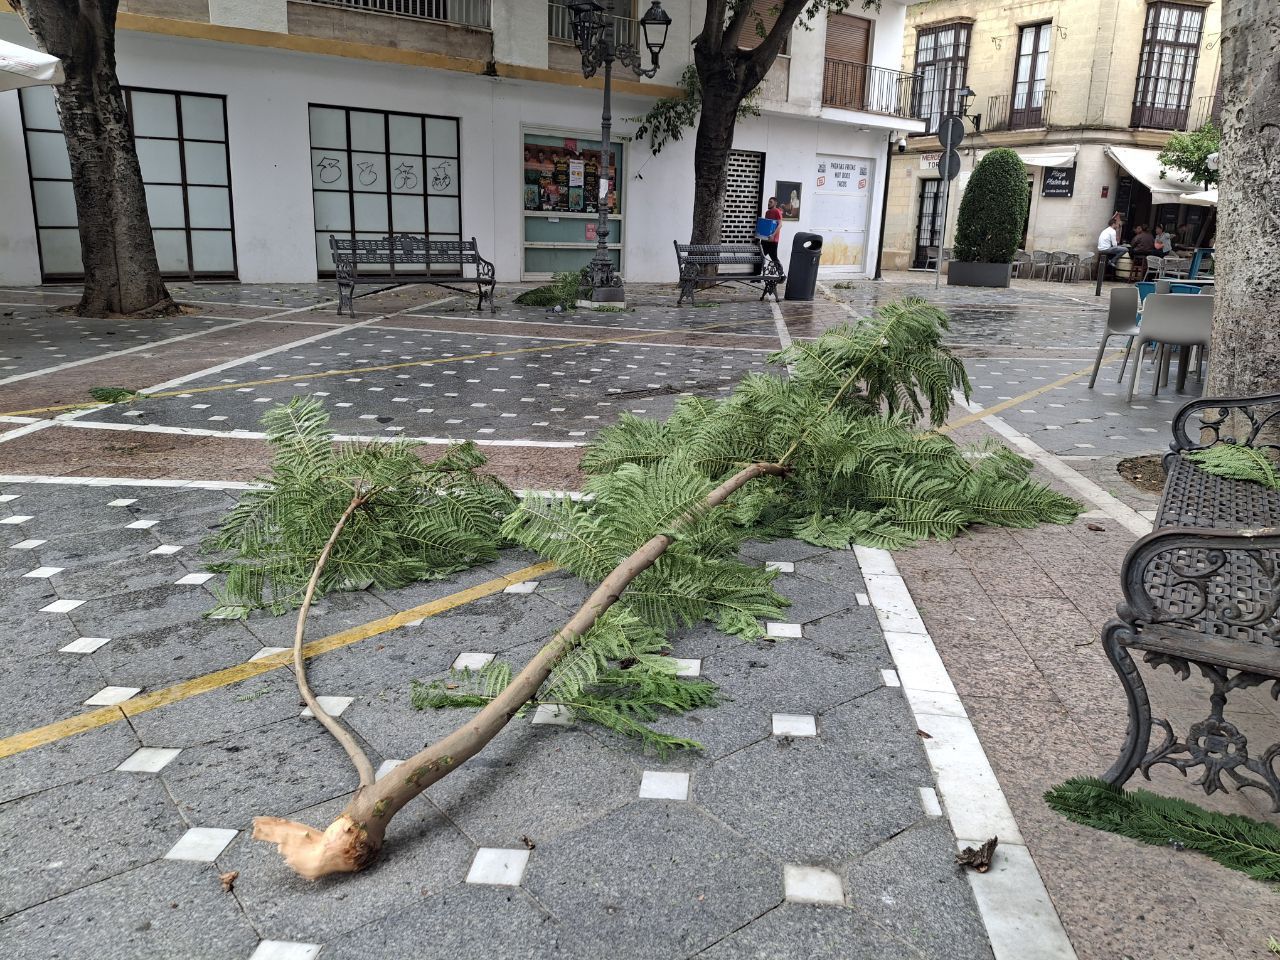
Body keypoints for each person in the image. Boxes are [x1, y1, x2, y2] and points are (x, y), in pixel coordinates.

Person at [759, 196, 784, 270]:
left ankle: (782, 275)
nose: (769, 203)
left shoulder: (777, 211)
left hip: (773, 240)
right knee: (761, 256)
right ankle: (758, 276)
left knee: (774, 258)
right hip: (765, 239)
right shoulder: (767, 212)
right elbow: (767, 226)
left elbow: (780, 224)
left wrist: (773, 235)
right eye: (768, 202)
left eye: (771, 202)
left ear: (775, 203)